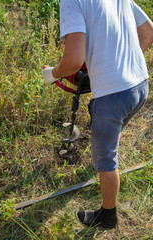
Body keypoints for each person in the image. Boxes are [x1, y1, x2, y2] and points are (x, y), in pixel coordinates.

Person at [43, 0, 153, 229]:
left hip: (112, 97)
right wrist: (123, 66)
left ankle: (108, 216)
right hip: (140, 85)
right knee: (112, 133)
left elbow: (73, 61)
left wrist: (52, 74)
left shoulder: (72, 1)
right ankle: (106, 159)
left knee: (106, 159)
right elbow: (148, 32)